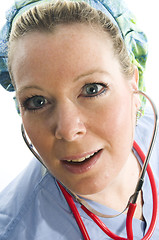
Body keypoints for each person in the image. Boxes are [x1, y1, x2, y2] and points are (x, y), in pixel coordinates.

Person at [0, 0, 158, 239]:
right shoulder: (16, 231)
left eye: (93, 89)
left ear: (133, 84)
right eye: (37, 102)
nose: (68, 130)